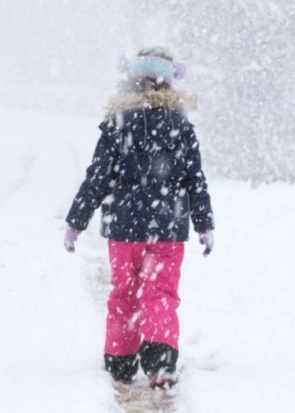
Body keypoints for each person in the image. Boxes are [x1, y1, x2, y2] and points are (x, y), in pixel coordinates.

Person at [63, 47, 214, 389]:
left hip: (124, 227)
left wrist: (76, 221)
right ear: (170, 83)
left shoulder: (118, 124)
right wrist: (205, 224)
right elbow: (195, 180)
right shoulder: (182, 127)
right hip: (168, 227)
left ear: (130, 80)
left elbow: (98, 178)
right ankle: (160, 363)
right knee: (160, 293)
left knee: (124, 293)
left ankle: (120, 362)